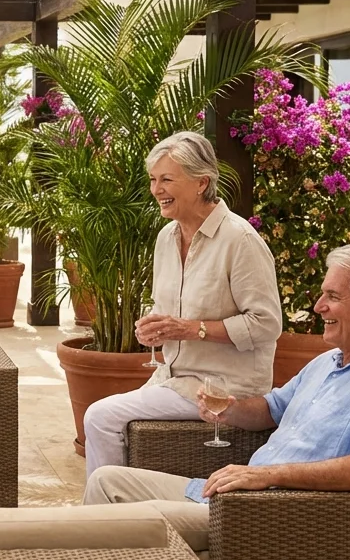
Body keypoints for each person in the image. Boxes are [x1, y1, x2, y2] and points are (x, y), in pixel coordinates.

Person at [85, 245, 350, 551]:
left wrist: (267, 475)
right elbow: (272, 409)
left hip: (267, 516)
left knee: (109, 525)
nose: (318, 306)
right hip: (232, 496)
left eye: (333, 297)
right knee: (106, 480)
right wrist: (230, 410)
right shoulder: (327, 362)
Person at [83, 131, 283, 478]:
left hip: (222, 388)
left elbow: (267, 324)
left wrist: (191, 329)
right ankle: (133, 508)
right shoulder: (167, 237)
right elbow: (171, 312)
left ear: (201, 182)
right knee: (113, 419)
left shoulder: (241, 240)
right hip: (173, 378)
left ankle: (107, 523)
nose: (156, 189)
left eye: (167, 180)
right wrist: (156, 328)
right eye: (153, 180)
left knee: (100, 417)